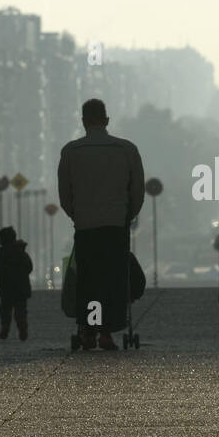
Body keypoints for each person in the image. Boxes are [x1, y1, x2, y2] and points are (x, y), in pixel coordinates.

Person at [57, 98, 144, 350]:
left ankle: (90, 331)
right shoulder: (126, 149)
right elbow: (137, 190)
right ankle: (107, 332)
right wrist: (128, 214)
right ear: (106, 120)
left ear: (83, 121)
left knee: (90, 280)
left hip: (86, 227)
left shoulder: (71, 152)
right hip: (116, 225)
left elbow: (65, 194)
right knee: (113, 279)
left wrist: (77, 215)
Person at [0, 225, 33, 341]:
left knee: (5, 311)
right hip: (21, 288)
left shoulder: (1, 254)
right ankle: (23, 329)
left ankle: (5, 328)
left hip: (6, 288)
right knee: (21, 311)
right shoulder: (21, 251)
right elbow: (29, 266)